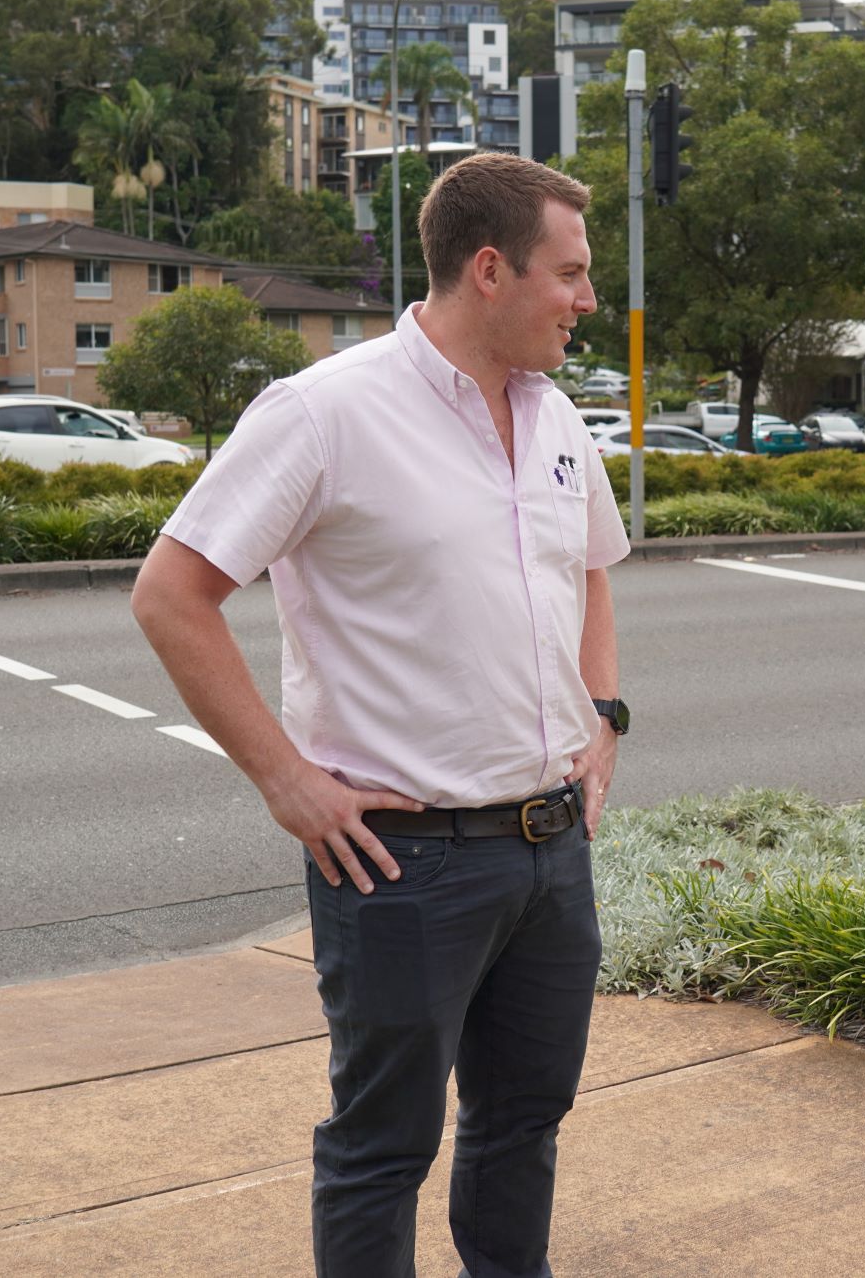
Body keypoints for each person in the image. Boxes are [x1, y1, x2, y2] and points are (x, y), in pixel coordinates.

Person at [131, 152, 629, 1278]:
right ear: (490, 270)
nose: (588, 300)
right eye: (572, 274)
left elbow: (592, 570)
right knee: (382, 1147)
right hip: (402, 863)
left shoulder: (553, 415)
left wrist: (604, 713)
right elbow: (172, 594)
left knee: (523, 1122)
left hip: (552, 849)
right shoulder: (324, 412)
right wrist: (286, 780)